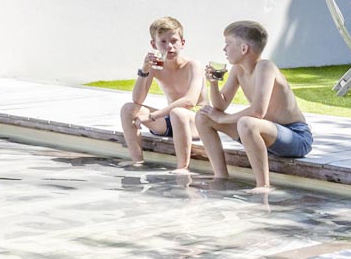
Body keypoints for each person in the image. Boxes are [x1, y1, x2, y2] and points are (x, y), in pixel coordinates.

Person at [195, 21, 311, 192]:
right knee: (203, 117)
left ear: (244, 49)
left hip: (295, 136)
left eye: (227, 44)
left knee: (247, 122)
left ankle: (263, 185)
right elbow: (220, 105)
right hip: (264, 134)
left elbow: (258, 111)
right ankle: (220, 176)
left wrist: (224, 118)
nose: (224, 49)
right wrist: (213, 84)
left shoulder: (266, 67)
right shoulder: (237, 70)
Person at [118, 17, 204, 174]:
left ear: (182, 43)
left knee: (178, 112)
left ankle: (182, 168)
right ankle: (137, 162)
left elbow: (190, 101)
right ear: (154, 45)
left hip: (196, 123)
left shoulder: (193, 66)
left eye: (174, 41)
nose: (169, 47)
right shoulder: (156, 67)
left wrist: (152, 116)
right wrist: (144, 69)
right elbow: (137, 100)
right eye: (163, 42)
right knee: (128, 109)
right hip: (170, 120)